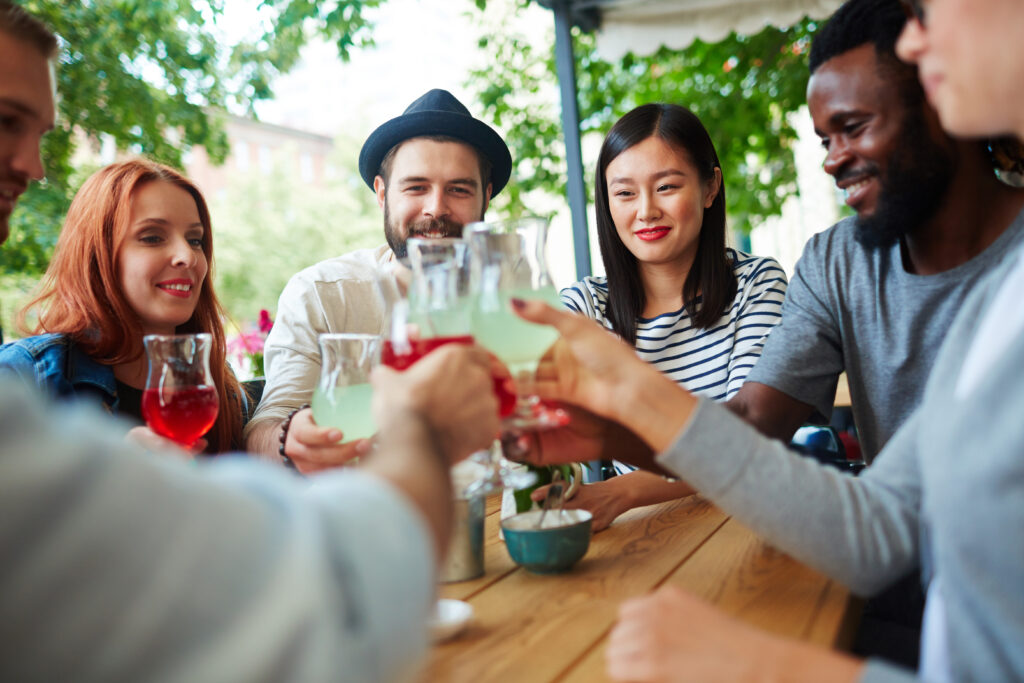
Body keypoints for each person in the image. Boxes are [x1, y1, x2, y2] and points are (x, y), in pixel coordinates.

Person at [0, 4, 501, 680]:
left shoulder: (208, 384)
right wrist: (333, 428)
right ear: (382, 193)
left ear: (486, 201)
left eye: (198, 240)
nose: (30, 165)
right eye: (153, 237)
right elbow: (276, 445)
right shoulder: (28, 380)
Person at [723, 0, 1024, 464]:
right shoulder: (836, 263)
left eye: (853, 127)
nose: (832, 160)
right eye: (826, 140)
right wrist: (616, 418)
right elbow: (754, 419)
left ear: (939, 97)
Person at [244, 88, 513, 472]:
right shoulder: (322, 295)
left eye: (458, 189)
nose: (436, 207)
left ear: (485, 198)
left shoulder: (513, 306)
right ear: (382, 194)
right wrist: (291, 440)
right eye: (416, 187)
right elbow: (263, 431)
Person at [549, 103, 787, 531]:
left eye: (666, 187)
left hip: (746, 525)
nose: (645, 211)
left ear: (710, 187)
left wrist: (621, 492)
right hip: (641, 537)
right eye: (624, 193)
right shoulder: (584, 307)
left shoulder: (758, 283)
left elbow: (744, 441)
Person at [0, 159, 247, 454]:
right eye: (153, 237)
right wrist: (103, 473)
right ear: (98, 256)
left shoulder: (218, 384)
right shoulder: (25, 374)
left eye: (195, 240)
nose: (187, 256)